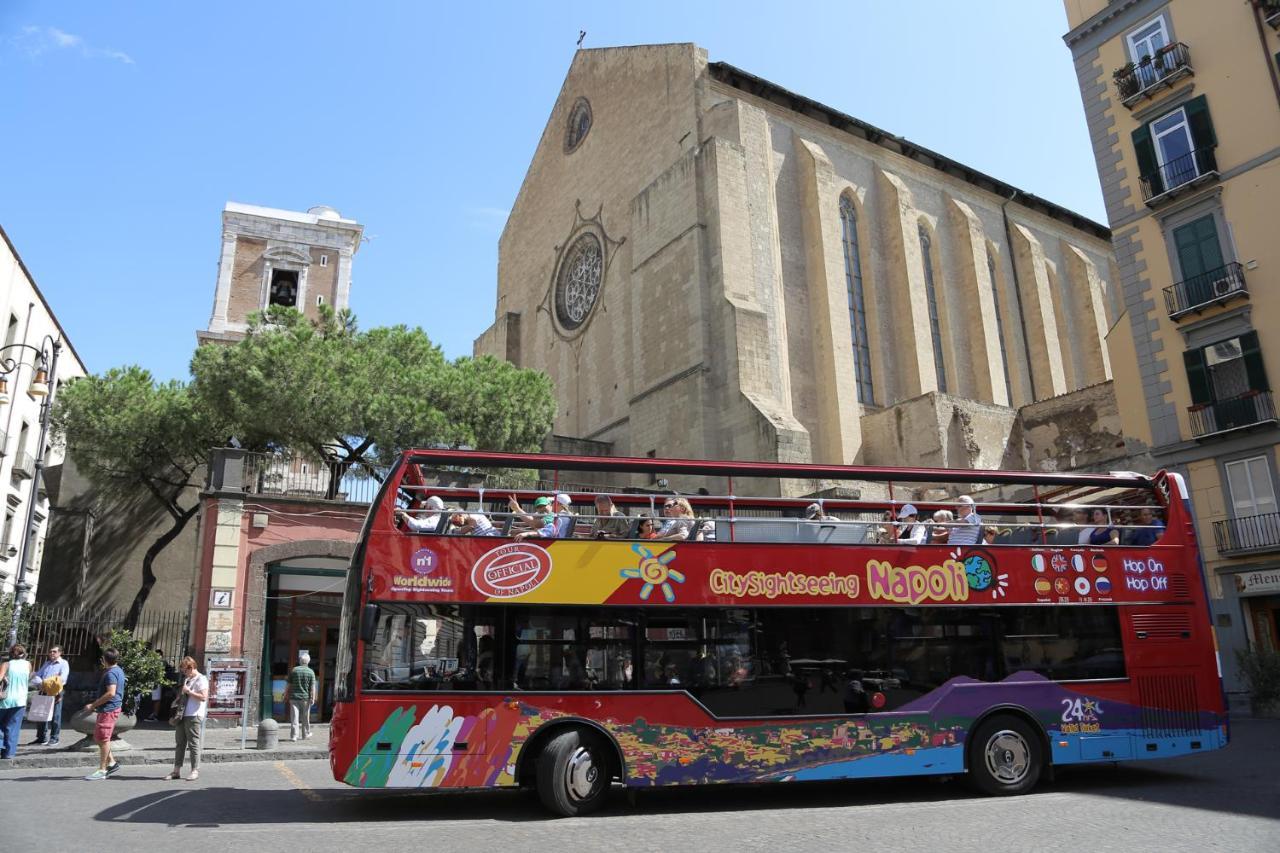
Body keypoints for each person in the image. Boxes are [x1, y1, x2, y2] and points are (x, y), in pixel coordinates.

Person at [83, 647, 125, 780]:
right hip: (108, 708)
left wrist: (93, 705)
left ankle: (102, 769)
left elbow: (111, 693)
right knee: (98, 737)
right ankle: (111, 762)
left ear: (104, 660)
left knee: (103, 739)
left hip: (109, 709)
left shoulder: (111, 674)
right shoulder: (118, 670)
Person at [165, 656, 208, 781]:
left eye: (184, 670)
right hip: (181, 714)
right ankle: (176, 771)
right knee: (180, 743)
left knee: (193, 743)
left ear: (191, 667)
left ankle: (195, 770)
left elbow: (203, 697)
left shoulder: (201, 679)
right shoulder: (187, 679)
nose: (184, 672)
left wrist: (189, 691)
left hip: (194, 714)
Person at [31, 644, 70, 745]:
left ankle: (54, 737)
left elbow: (62, 679)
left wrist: (47, 682)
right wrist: (46, 682)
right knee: (41, 714)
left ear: (60, 653)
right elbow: (36, 676)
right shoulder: (47, 663)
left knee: (55, 715)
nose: (51, 653)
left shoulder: (63, 663)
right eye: (50, 651)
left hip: (56, 692)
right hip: (44, 690)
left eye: (54, 651)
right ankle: (42, 737)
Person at [0, 644, 31, 759]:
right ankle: (9, 753)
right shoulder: (28, 664)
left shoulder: (6, 665)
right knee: (13, 726)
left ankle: (1, 747)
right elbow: (28, 678)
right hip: (21, 700)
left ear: (11, 653)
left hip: (5, 700)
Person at [287, 651, 317, 741]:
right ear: (308, 662)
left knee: (294, 718)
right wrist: (313, 698)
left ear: (300, 661)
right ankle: (305, 735)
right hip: (305, 698)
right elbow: (312, 687)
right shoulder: (311, 672)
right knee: (305, 718)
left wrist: (285, 694)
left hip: (294, 697)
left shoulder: (294, 670)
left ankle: (294, 736)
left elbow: (288, 684)